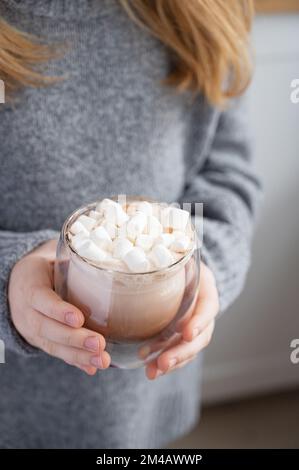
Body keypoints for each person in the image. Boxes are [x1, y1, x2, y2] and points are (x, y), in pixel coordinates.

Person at [0, 0, 261, 448]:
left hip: (144, 401)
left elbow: (227, 173)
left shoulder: (203, 12)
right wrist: (8, 277)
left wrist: (206, 263)